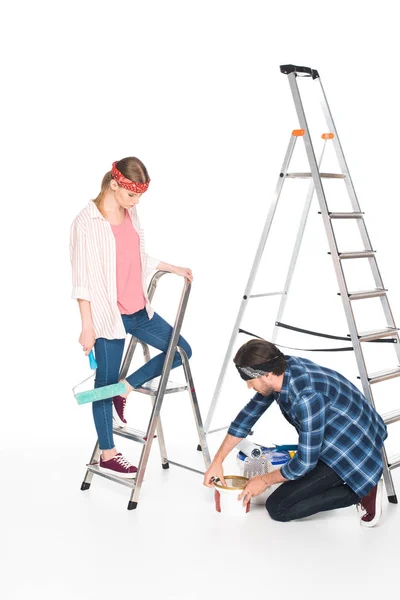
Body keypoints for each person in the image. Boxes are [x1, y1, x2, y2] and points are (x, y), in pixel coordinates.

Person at [70, 157, 192, 478]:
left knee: (181, 350)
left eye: (139, 197)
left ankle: (127, 387)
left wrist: (172, 267)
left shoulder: (132, 214)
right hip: (108, 317)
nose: (135, 202)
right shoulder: (86, 222)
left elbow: (137, 256)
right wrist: (87, 325)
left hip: (139, 311)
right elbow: (81, 279)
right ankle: (108, 453)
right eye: (131, 195)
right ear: (114, 184)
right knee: (102, 385)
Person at [203, 338, 388, 527]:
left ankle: (362, 488)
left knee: (279, 508)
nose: (249, 387)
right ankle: (359, 481)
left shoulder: (305, 397)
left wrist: (264, 480)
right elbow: (246, 418)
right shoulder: (284, 369)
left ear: (265, 375)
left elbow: (304, 463)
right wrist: (217, 462)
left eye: (250, 381)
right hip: (343, 435)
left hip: (352, 450)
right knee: (290, 483)